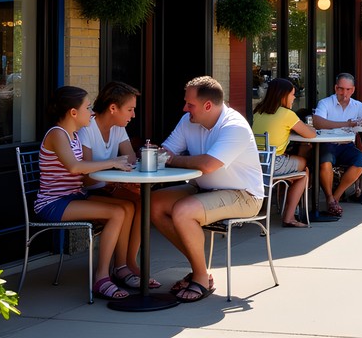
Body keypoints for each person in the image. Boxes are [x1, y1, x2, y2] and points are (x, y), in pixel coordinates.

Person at [155, 76, 263, 302]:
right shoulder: (189, 121)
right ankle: (199, 267)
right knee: (153, 204)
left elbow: (208, 164)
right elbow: (164, 153)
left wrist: (174, 161)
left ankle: (201, 278)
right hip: (204, 189)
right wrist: (163, 157)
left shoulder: (235, 126)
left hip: (243, 195)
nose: (185, 108)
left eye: (189, 104)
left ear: (207, 106)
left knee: (183, 211)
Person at [35, 86, 135, 300]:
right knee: (117, 213)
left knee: (127, 207)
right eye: (87, 107)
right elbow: (74, 167)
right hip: (54, 203)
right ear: (73, 112)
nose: (91, 112)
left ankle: (121, 267)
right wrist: (112, 162)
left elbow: (82, 169)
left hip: (74, 196)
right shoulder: (56, 134)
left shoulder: (72, 135)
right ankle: (101, 279)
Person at [77, 81, 159, 289]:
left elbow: (130, 161)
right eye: (130, 110)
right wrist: (115, 176)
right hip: (87, 193)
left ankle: (128, 264)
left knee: (142, 204)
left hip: (108, 187)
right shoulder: (87, 129)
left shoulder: (118, 128)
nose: (133, 115)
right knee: (130, 205)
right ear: (113, 108)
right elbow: (85, 177)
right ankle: (121, 266)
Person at [251, 78, 316, 228]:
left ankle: (284, 193)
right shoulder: (287, 115)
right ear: (283, 95)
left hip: (255, 163)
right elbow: (310, 134)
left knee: (293, 159)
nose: (294, 97)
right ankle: (289, 217)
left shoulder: (258, 111)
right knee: (304, 170)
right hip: (273, 164)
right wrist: (310, 128)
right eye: (292, 94)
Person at [312, 72, 362, 217]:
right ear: (335, 88)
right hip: (327, 144)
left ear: (353, 90)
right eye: (340, 89)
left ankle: (335, 197)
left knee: (361, 160)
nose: (344, 93)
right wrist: (347, 123)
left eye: (347, 89)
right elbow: (318, 122)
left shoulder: (357, 105)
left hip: (346, 145)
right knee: (325, 162)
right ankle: (329, 197)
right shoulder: (325, 103)